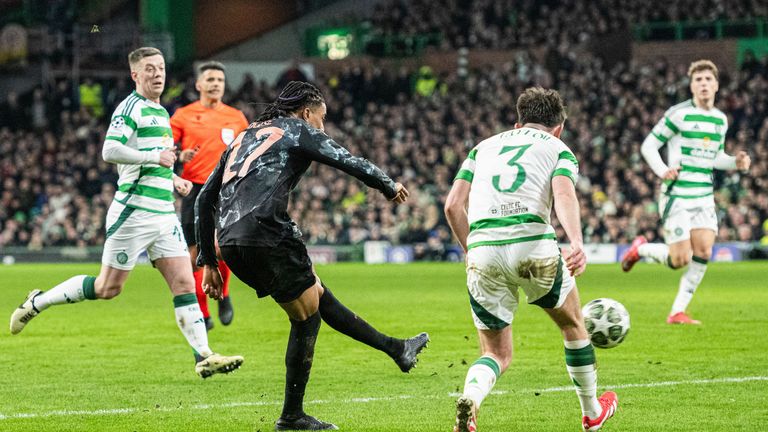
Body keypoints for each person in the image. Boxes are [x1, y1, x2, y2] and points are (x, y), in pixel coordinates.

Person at [195, 81, 429, 430]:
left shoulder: (245, 136)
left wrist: (209, 262)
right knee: (307, 317)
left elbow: (203, 200)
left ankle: (397, 349)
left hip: (230, 241)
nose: (322, 125)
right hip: (267, 231)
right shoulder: (297, 129)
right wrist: (387, 184)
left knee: (315, 293)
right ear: (306, 112)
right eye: (321, 118)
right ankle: (292, 416)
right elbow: (344, 158)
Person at [9, 47, 244, 379]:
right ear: (136, 75)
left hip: (163, 213)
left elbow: (157, 158)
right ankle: (38, 301)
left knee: (182, 283)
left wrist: (174, 178)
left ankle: (203, 355)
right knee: (108, 288)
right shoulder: (130, 108)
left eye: (161, 68)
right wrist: (155, 160)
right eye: (149, 69)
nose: (157, 74)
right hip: (133, 212)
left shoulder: (162, 112)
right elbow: (110, 150)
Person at [444, 87, 617, 432]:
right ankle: (592, 413)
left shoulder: (482, 148)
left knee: (495, 354)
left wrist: (470, 250)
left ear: (517, 121)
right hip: (532, 244)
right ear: (559, 128)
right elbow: (564, 193)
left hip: (483, 249)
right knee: (572, 325)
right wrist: (576, 241)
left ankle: (472, 401)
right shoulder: (558, 149)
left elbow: (452, 205)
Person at [621, 60, 751, 325]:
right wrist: (661, 170)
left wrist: (734, 163)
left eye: (708, 80)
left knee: (703, 251)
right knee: (680, 259)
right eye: (698, 80)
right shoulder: (677, 114)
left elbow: (714, 158)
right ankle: (642, 249)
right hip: (677, 195)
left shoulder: (719, 120)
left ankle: (677, 312)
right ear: (691, 86)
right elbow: (649, 146)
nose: (703, 84)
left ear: (716, 85)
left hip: (703, 196)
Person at [171, 61, 249, 333]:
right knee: (194, 256)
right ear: (199, 85)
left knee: (220, 248)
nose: (216, 83)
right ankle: (203, 313)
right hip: (193, 190)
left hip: (225, 190)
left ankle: (224, 294)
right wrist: (180, 156)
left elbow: (246, 152)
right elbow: (167, 148)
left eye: (220, 80)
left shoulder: (236, 117)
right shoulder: (182, 115)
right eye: (211, 79)